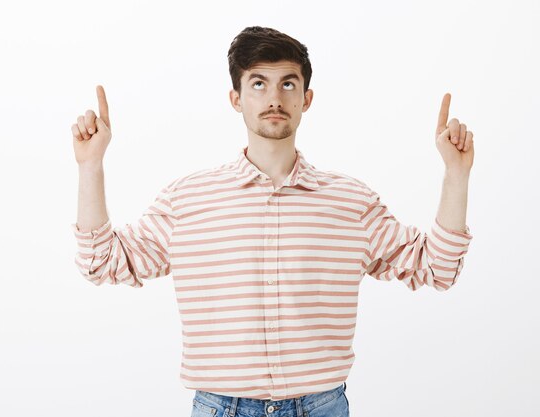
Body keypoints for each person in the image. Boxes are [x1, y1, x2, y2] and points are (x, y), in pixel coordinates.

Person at [70, 26, 474, 417]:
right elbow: (102, 261)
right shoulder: (187, 200)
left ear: (307, 97)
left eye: (288, 84)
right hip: (220, 408)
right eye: (259, 84)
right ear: (236, 98)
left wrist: (456, 174)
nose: (274, 98)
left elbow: (437, 266)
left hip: (321, 407)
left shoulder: (351, 203)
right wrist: (91, 167)